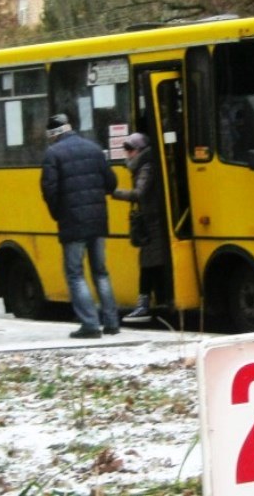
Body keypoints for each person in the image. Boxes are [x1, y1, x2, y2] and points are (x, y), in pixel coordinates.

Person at [40, 113, 120, 339]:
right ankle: (112, 322)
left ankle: (90, 325)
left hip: (72, 222)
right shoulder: (94, 149)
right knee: (100, 272)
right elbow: (111, 183)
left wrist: (59, 214)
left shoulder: (53, 154)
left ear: (53, 135)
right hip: (98, 220)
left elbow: (49, 189)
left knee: (75, 274)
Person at [111, 132, 170, 323]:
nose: (127, 153)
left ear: (140, 150)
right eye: (126, 149)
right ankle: (159, 304)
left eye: (130, 149)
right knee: (151, 265)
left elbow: (139, 193)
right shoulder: (142, 165)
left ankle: (146, 306)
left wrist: (114, 193)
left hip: (153, 223)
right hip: (150, 222)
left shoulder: (147, 166)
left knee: (149, 266)